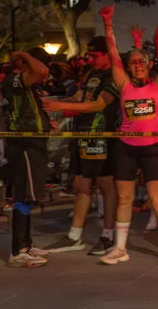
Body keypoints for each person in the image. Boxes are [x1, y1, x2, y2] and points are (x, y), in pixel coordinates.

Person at [98, 5, 158, 266]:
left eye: (142, 61)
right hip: (127, 147)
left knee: (157, 200)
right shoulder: (123, 85)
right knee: (124, 198)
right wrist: (108, 24)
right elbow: (112, 55)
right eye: (133, 62)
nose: (137, 65)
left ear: (149, 65)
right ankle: (120, 248)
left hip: (153, 147)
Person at [42, 36, 120, 256]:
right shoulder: (91, 73)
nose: (91, 59)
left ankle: (107, 234)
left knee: (106, 185)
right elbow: (79, 96)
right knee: (80, 184)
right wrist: (53, 102)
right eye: (89, 55)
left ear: (107, 54)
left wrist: (59, 104)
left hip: (103, 136)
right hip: (82, 135)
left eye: (95, 55)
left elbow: (99, 104)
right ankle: (74, 235)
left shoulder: (115, 74)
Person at [1, 49, 52, 267]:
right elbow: (41, 70)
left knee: (29, 195)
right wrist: (24, 54)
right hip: (24, 145)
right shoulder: (15, 79)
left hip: (34, 143)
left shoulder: (26, 84)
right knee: (23, 196)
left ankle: (26, 243)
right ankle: (18, 250)